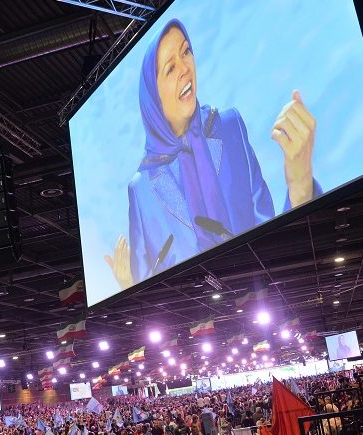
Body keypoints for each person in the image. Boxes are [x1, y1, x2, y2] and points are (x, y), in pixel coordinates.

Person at [105, 18, 320, 287]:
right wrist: (128, 285)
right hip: (196, 312)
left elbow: (269, 233)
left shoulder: (229, 127)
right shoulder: (141, 188)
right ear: (153, 97)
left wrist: (300, 184)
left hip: (258, 289)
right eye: (170, 69)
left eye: (186, 51)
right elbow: (151, 287)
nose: (185, 68)